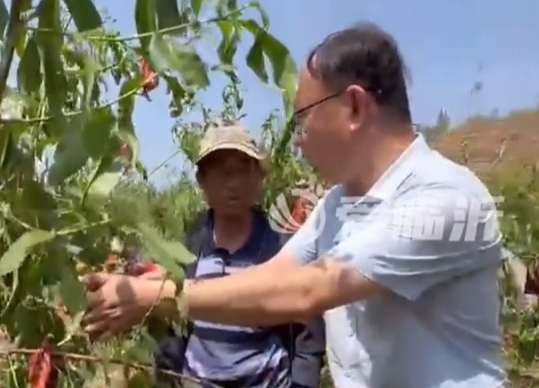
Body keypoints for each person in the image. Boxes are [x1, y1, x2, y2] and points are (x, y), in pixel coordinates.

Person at [81, 22, 505, 388]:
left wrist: (156, 296)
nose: (299, 138)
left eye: (303, 117)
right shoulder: (338, 205)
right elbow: (276, 275)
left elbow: (309, 289)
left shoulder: (445, 198)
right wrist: (147, 291)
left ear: (354, 106)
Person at [135, 125, 325, 388]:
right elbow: (171, 325)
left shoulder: (281, 250)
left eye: (242, 170)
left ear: (259, 178)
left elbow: (307, 334)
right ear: (202, 180)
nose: (232, 183)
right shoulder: (188, 248)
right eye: (221, 172)